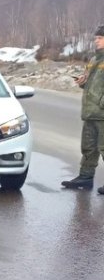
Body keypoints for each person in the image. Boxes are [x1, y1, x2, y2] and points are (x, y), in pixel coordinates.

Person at [61, 25, 104, 191]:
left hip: (102, 113)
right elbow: (90, 83)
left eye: (100, 38)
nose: (96, 41)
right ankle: (85, 178)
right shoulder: (94, 60)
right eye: (96, 38)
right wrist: (82, 81)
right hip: (90, 112)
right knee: (88, 148)